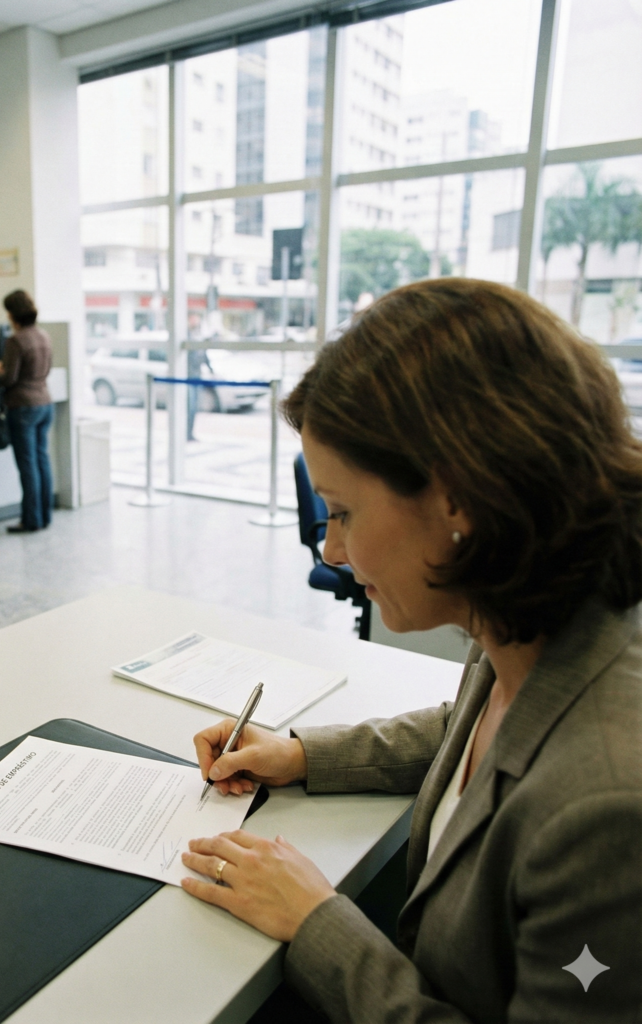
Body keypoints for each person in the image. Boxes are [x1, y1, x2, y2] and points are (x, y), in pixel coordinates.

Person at [180, 279, 642, 1022]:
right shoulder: (529, 620)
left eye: (343, 512)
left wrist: (317, 924)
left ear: (458, 499)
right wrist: (301, 755)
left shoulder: (607, 811)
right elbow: (476, 733)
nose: (330, 546)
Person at [0, 290, 53, 534]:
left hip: (23, 406)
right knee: (42, 461)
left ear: (12, 313)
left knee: (27, 465)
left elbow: (8, 379)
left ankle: (31, 520)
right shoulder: (44, 336)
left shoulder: (16, 340)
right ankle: (44, 516)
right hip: (45, 403)